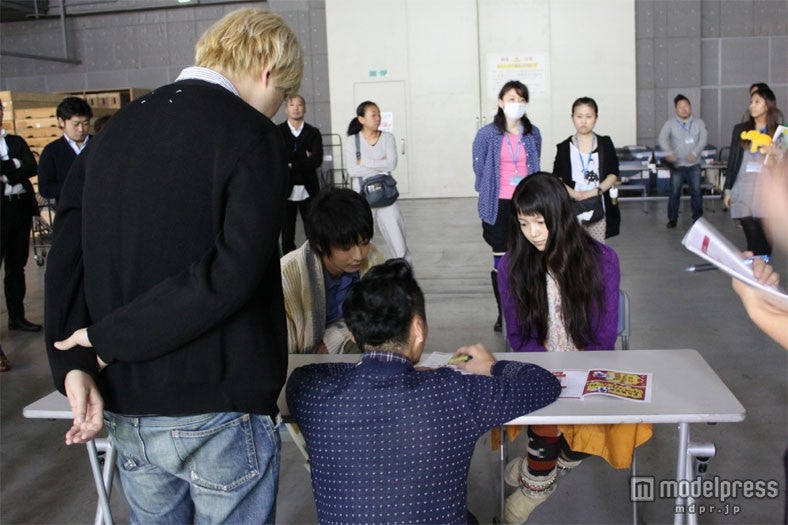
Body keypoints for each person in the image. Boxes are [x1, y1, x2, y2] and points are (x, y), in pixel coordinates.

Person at [44, 8, 303, 524]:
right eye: (283, 92)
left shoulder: (111, 134)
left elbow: (66, 257)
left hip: (129, 406)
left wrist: (73, 363)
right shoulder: (253, 136)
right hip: (219, 401)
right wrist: (108, 338)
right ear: (268, 71)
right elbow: (231, 272)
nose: (278, 106)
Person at [286, 259, 561, 525]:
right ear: (418, 328)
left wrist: (373, 368)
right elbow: (543, 384)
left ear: (355, 335)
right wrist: (492, 366)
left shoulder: (313, 395)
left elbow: (303, 374)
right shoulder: (454, 393)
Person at [497, 174, 633, 524]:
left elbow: (604, 338)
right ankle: (535, 489)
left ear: (560, 216)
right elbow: (519, 337)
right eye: (524, 223)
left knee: (619, 422)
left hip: (589, 363)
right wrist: (550, 372)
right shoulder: (511, 265)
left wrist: (577, 374)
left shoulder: (602, 260)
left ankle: (535, 470)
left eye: (540, 222)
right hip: (540, 365)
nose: (533, 233)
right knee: (549, 410)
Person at [472, 80, 541, 332]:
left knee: (529, 258)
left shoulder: (533, 133)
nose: (517, 104)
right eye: (512, 99)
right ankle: (504, 312)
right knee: (501, 260)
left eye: (521, 100)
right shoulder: (487, 134)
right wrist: (490, 187)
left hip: (526, 202)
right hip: (498, 203)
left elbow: (535, 164)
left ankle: (529, 310)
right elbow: (479, 167)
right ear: (501, 102)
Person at [281, 187, 385, 354]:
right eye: (346, 247)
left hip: (347, 342)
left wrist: (332, 338)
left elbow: (380, 312)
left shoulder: (373, 258)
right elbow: (285, 352)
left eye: (364, 242)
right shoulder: (287, 277)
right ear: (320, 245)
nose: (358, 255)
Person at [345, 101, 412, 264]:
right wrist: (380, 165)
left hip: (386, 197)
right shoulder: (353, 141)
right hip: (362, 198)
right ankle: (366, 276)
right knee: (363, 242)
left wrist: (364, 162)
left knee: (398, 242)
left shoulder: (387, 138)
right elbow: (353, 170)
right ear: (361, 119)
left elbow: (391, 164)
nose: (378, 118)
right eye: (373, 115)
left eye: (379, 114)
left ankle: (405, 274)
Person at [551, 97, 620, 242]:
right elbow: (557, 178)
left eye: (588, 116)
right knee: (574, 248)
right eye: (579, 116)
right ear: (572, 118)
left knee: (598, 248)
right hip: (573, 206)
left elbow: (613, 173)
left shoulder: (605, 143)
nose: (583, 121)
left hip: (599, 204)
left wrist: (594, 192)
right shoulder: (564, 147)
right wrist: (575, 194)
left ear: (596, 118)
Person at [723, 85, 781, 256]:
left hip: (767, 193)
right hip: (743, 191)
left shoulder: (780, 132)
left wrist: (775, 153)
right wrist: (728, 190)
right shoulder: (740, 130)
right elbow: (733, 161)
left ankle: (762, 270)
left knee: (766, 245)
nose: (752, 106)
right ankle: (757, 269)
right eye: (751, 102)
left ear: (767, 105)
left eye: (757, 102)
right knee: (754, 242)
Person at [1, 104, 41, 333]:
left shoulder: (15, 141)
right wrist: (15, 164)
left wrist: (7, 175)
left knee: (16, 266)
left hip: (19, 208)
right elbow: (22, 165)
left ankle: (17, 317)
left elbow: (31, 166)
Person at [278, 94, 323, 255]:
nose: (296, 108)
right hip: (286, 189)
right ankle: (288, 265)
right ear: (286, 109)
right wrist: (304, 157)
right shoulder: (279, 132)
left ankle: (315, 262)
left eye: (299, 105)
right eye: (292, 105)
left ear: (305, 108)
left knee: (312, 230)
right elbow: (279, 159)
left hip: (309, 188)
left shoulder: (313, 132)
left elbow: (317, 160)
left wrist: (292, 164)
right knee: (287, 234)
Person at [658, 94, 708, 228]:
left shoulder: (699, 123)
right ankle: (672, 219)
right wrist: (668, 152)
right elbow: (662, 138)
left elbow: (703, 139)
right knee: (675, 192)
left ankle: (697, 219)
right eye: (680, 107)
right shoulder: (670, 123)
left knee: (696, 192)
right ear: (676, 109)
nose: (684, 109)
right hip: (677, 165)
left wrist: (695, 153)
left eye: (686, 106)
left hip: (694, 164)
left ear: (690, 107)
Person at [37, 96, 93, 203]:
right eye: (75, 124)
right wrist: (77, 187)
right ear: (61, 122)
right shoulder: (51, 151)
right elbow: (45, 189)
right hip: (69, 209)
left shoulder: (98, 144)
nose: (81, 129)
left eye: (85, 123)